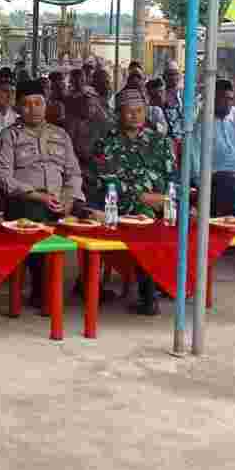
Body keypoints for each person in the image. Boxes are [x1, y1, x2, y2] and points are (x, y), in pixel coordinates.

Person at [0, 78, 84, 309]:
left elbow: (74, 173)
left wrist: (69, 199)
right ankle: (41, 290)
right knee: (36, 220)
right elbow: (2, 177)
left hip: (61, 199)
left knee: (94, 218)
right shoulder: (9, 136)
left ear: (46, 105)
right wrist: (38, 195)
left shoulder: (61, 135)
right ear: (18, 108)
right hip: (27, 200)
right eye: (27, 104)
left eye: (38, 103)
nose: (33, 109)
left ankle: (89, 284)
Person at [93, 86, 177, 314]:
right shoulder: (105, 143)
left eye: (139, 110)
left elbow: (173, 177)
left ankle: (176, 283)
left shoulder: (159, 141)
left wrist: (168, 198)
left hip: (163, 201)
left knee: (190, 218)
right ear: (118, 113)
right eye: (129, 111)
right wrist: (142, 197)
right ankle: (148, 294)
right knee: (144, 218)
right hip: (122, 205)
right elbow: (107, 182)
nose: (134, 115)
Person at [185, 79, 235, 218]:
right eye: (223, 98)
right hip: (216, 180)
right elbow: (195, 166)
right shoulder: (200, 128)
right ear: (212, 99)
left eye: (230, 99)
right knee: (232, 181)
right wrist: (202, 186)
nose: (228, 102)